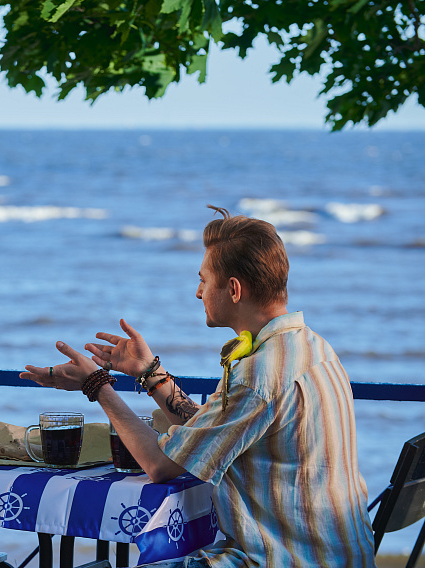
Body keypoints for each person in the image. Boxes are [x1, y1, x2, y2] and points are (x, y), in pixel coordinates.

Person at [21, 205, 376, 567]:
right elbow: (208, 432)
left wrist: (97, 385)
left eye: (204, 280)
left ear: (234, 289)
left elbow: (161, 465)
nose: (197, 292)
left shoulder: (259, 374)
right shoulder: (313, 347)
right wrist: (149, 373)